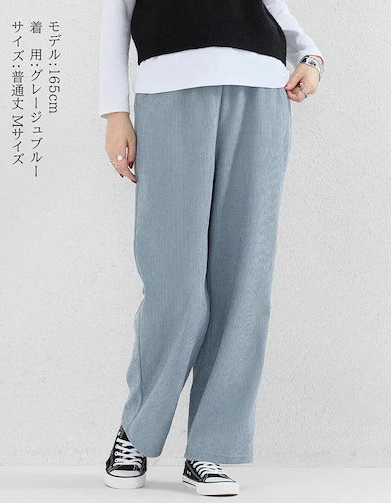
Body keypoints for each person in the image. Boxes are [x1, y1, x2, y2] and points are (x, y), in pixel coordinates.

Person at [99, 0, 324, 496]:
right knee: (173, 284)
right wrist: (115, 112)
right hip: (169, 91)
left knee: (244, 283)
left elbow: (273, 7)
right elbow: (116, 15)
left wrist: (311, 57)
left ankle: (210, 448)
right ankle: (136, 431)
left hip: (261, 93)